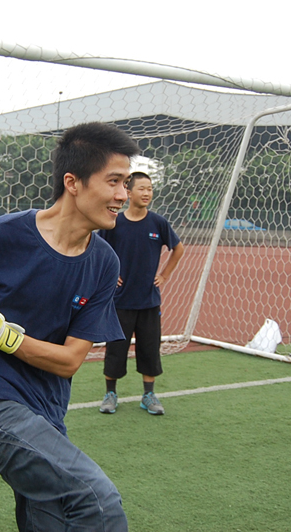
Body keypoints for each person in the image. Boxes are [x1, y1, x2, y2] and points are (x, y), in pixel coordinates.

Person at [0, 122, 140, 531]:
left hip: (47, 414)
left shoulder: (104, 263)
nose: (122, 195)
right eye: (114, 181)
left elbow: (70, 360)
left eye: (126, 183)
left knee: (53, 521)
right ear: (72, 182)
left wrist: (2, 335)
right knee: (96, 501)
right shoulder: (2, 235)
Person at [98, 171, 184, 416]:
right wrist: (109, 275)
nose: (147, 193)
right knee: (116, 349)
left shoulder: (158, 223)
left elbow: (178, 249)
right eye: (142, 188)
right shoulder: (115, 222)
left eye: (150, 189)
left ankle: (148, 395)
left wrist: (164, 275)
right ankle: (110, 394)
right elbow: (96, 248)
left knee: (149, 349)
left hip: (149, 301)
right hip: (120, 301)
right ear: (128, 192)